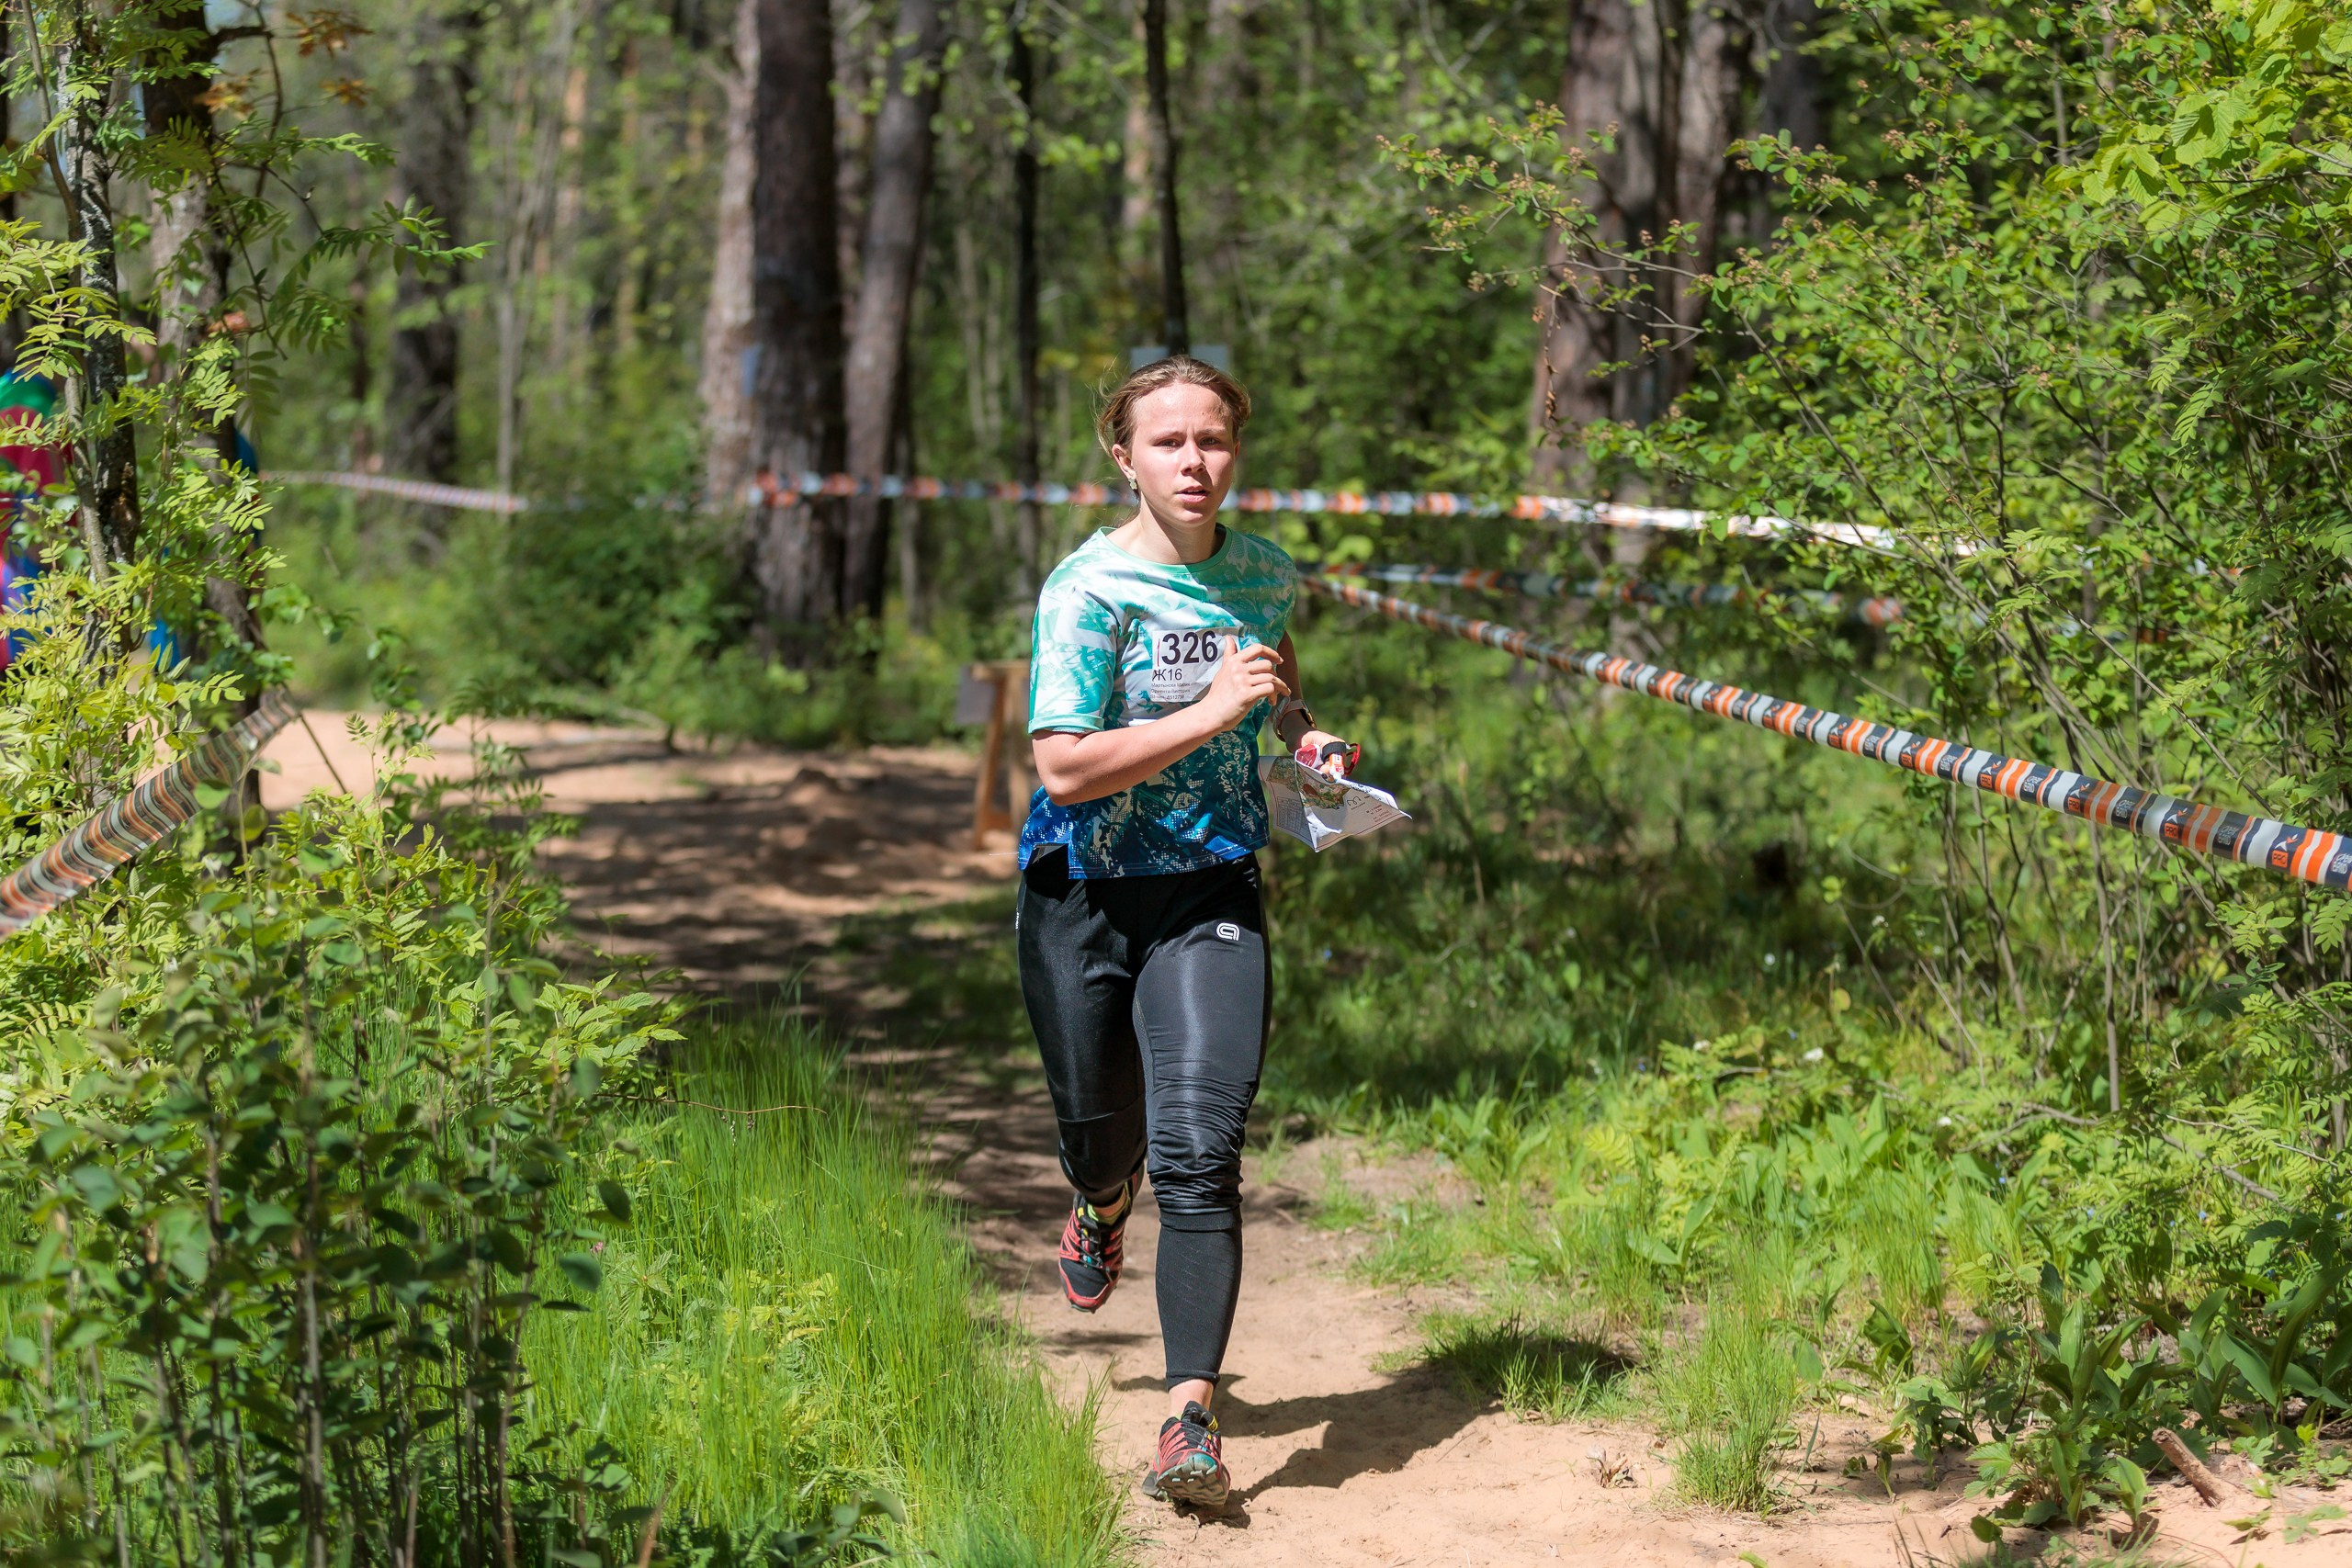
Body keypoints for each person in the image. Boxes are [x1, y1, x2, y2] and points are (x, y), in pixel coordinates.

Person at [1016, 355, 1356, 1510]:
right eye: (1167, 443)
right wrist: (1209, 713)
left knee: (1202, 1150)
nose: (1193, 462)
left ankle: (1188, 1423)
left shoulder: (1262, 574)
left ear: (1235, 451)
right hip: (1083, 894)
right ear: (1124, 457)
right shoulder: (1086, 589)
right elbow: (1064, 770)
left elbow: (1277, 679)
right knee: (1102, 1140)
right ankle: (1098, 1201)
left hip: (1209, 886)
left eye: (1211, 440)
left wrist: (1304, 739)